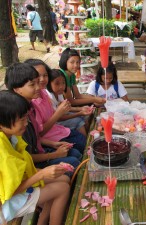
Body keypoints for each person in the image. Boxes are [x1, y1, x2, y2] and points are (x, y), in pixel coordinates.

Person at [0, 90, 70, 225]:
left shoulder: (11, 137)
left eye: (26, 117)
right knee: (62, 189)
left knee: (64, 178)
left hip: (17, 186)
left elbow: (22, 171)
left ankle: (42, 221)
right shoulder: (3, 152)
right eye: (21, 120)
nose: (26, 123)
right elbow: (11, 192)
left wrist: (45, 172)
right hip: (7, 203)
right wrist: (41, 174)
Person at [5, 62, 82, 177]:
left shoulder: (31, 106)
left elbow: (36, 137)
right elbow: (25, 156)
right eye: (32, 84)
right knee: (74, 162)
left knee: (75, 152)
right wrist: (53, 155)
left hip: (40, 151)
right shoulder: (17, 118)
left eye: (43, 77)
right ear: (17, 89)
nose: (38, 87)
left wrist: (53, 144)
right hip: (32, 164)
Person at [24, 59, 87, 153]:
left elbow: (58, 114)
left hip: (56, 131)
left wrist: (80, 111)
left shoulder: (43, 93)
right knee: (78, 147)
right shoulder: (32, 101)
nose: (42, 79)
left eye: (45, 75)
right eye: (37, 76)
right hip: (47, 139)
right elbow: (40, 133)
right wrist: (59, 113)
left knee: (82, 139)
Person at [47, 69, 93, 136]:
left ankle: (89, 136)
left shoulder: (58, 93)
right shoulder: (49, 97)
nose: (61, 87)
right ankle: (85, 142)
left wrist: (81, 109)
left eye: (63, 83)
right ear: (49, 84)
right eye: (57, 83)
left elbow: (66, 108)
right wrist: (79, 113)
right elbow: (59, 118)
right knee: (79, 121)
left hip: (60, 116)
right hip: (54, 123)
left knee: (85, 116)